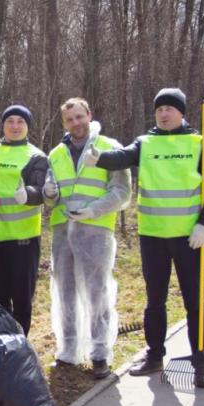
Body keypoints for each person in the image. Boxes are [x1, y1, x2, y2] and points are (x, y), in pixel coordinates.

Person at [84, 87, 204, 388]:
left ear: (182, 113)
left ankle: (201, 361)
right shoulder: (145, 143)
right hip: (152, 236)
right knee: (155, 301)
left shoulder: (199, 144)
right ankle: (155, 356)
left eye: (169, 109)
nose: (163, 114)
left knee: (194, 302)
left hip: (190, 238)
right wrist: (98, 158)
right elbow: (121, 157)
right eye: (159, 109)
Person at [44, 98, 131, 379]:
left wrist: (93, 210)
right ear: (64, 123)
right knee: (65, 292)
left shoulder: (109, 147)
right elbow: (52, 197)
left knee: (97, 293)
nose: (76, 123)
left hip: (95, 231)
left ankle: (99, 353)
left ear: (89, 115)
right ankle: (68, 351)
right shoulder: (55, 154)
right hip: (62, 231)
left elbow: (122, 192)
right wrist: (48, 194)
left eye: (79, 117)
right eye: (70, 120)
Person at [0, 105, 48, 335]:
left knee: (21, 297)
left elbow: (42, 190)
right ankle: (1, 344)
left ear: (27, 126)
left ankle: (20, 344)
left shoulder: (36, 155)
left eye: (21, 121)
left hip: (24, 238)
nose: (15, 126)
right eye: (10, 121)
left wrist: (27, 194)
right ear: (3, 125)